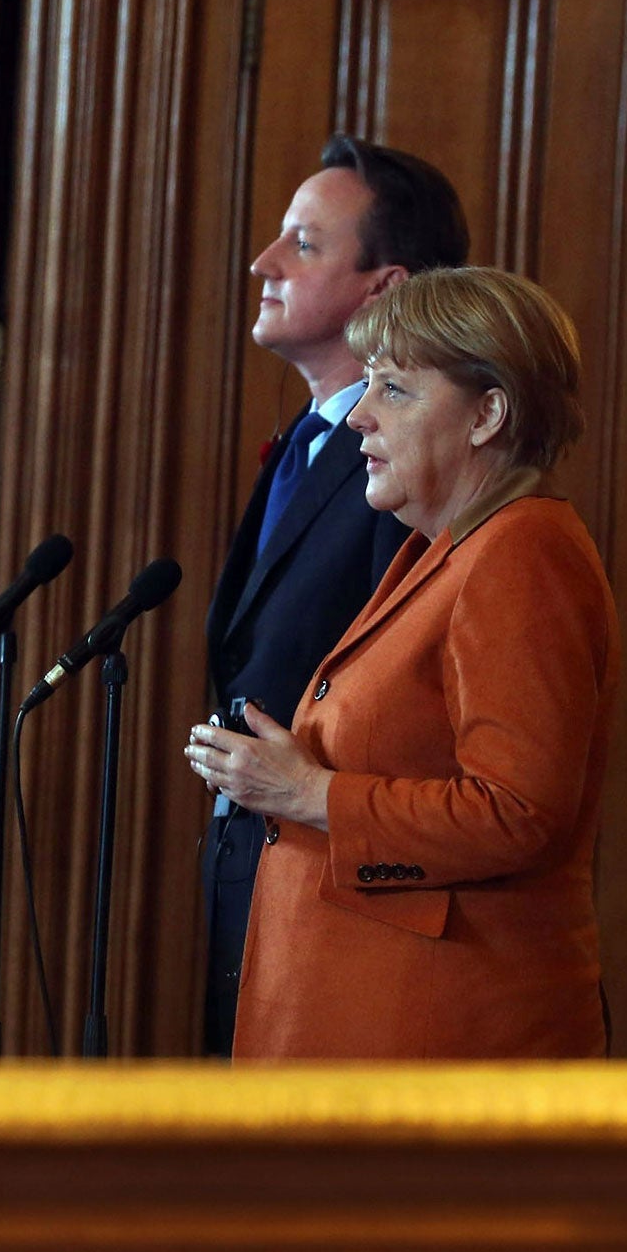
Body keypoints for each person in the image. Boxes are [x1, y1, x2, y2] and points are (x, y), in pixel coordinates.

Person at [183, 267, 617, 1059]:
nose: (361, 421)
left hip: (442, 1042)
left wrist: (307, 792)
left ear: (488, 413)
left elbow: (517, 814)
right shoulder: (446, 551)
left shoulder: (521, 554)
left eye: (395, 391)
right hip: (375, 1026)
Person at [198, 136, 469, 1055]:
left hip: (342, 876)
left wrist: (316, 797)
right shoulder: (312, 441)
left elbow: (406, 670)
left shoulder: (404, 456)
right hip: (258, 852)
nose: (263, 263)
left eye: (304, 245)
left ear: (383, 289)